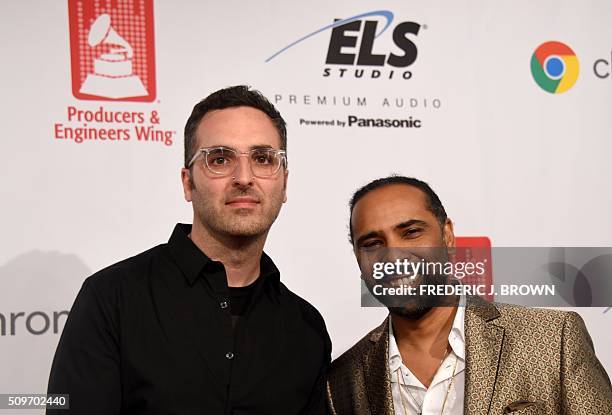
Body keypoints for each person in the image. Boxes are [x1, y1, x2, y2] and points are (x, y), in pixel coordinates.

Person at [47, 85, 331, 414]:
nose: (243, 177)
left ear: (283, 182)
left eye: (263, 158)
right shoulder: (113, 298)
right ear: (187, 183)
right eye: (220, 159)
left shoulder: (305, 328)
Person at [327, 175, 612, 414]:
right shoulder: (342, 381)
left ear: (447, 236)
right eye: (372, 243)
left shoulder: (552, 340)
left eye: (411, 232)